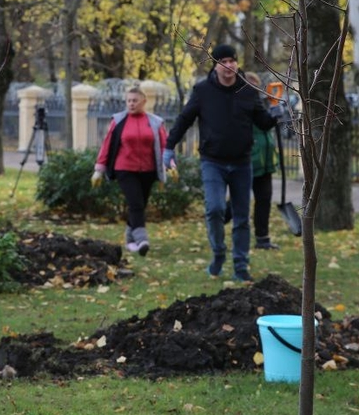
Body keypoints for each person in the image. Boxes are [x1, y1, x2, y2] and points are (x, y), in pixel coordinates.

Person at [163, 44, 277, 282]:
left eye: (232, 61)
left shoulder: (248, 90)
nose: (228, 66)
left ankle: (240, 265)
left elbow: (263, 122)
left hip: (242, 163)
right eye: (222, 62)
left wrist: (276, 114)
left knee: (242, 217)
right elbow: (184, 119)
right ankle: (218, 253)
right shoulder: (203, 91)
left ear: (237, 63)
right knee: (214, 209)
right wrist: (169, 147)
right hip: (213, 162)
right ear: (215, 66)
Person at [92, 86, 167, 257]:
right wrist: (99, 169)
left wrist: (170, 165)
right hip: (124, 169)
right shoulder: (118, 120)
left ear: (144, 102)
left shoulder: (155, 122)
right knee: (136, 204)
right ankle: (142, 240)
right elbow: (107, 145)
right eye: (128, 101)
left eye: (135, 101)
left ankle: (130, 239)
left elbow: (164, 146)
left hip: (148, 170)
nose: (131, 104)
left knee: (140, 205)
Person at [224, 72, 279, 249]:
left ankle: (262, 238)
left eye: (256, 87)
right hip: (247, 160)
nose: (255, 90)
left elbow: (267, 124)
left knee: (264, 200)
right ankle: (218, 218)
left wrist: (275, 111)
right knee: (238, 200)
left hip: (265, 163)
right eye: (250, 86)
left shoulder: (259, 106)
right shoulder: (239, 106)